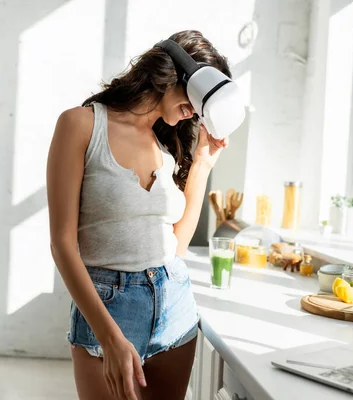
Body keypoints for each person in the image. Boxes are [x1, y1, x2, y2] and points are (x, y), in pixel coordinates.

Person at [46, 30, 231, 400]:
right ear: (183, 74)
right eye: (200, 99)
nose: (197, 112)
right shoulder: (81, 125)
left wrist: (203, 165)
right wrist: (109, 336)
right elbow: (62, 244)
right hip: (108, 309)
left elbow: (175, 247)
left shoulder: (167, 143)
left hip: (174, 305)